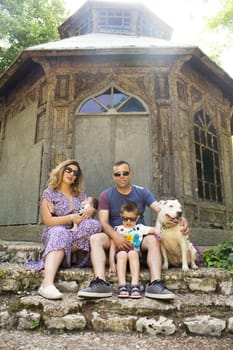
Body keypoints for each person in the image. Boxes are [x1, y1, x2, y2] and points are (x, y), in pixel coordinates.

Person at [78, 160, 189, 300]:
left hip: (138, 236)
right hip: (115, 235)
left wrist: (180, 217)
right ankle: (100, 282)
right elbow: (103, 223)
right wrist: (116, 237)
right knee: (95, 238)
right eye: (117, 174)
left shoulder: (142, 192)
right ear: (113, 177)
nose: (121, 176)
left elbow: (159, 209)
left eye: (125, 173)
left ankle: (155, 283)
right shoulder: (106, 195)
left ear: (130, 174)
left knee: (154, 238)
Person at [27, 159, 102, 300]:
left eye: (75, 172)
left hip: (75, 234)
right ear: (61, 171)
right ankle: (46, 284)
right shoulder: (49, 193)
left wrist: (91, 209)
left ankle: (64, 251)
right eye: (68, 170)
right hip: (55, 231)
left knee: (94, 225)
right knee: (60, 232)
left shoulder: (80, 195)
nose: (71, 174)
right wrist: (71, 218)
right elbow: (48, 221)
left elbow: (85, 212)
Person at [109, 201, 156, 299]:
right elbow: (112, 247)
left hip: (134, 256)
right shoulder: (117, 229)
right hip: (120, 256)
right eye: (125, 218)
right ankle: (122, 285)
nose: (129, 221)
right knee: (122, 254)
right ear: (121, 216)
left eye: (132, 219)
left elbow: (156, 230)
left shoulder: (140, 228)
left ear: (137, 218)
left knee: (132, 253)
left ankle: (135, 285)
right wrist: (112, 263)